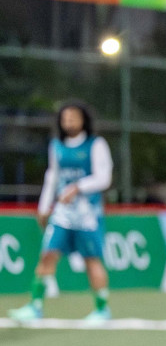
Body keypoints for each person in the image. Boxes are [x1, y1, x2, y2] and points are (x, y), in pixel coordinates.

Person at [8, 101, 114, 324]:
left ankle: (102, 309)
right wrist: (44, 207)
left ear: (83, 119)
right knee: (47, 255)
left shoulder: (96, 145)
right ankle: (35, 306)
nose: (69, 122)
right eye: (65, 118)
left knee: (91, 260)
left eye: (73, 117)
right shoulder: (56, 146)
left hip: (87, 217)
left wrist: (78, 188)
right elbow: (52, 177)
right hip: (62, 215)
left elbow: (104, 178)